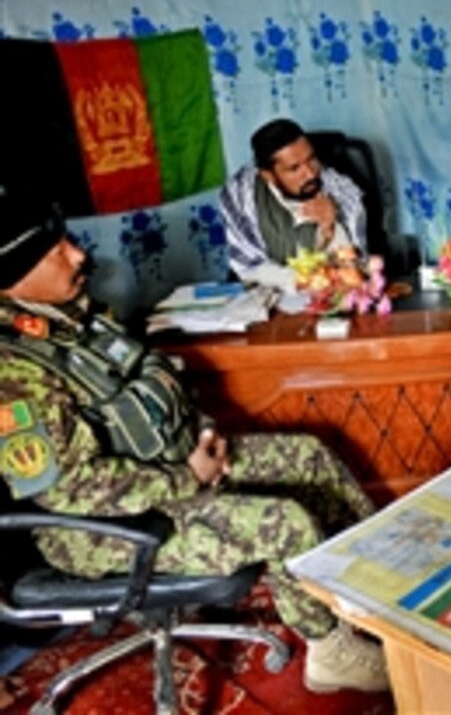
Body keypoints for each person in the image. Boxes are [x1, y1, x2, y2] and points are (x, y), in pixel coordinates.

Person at [0, 193, 387, 693]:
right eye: (55, 251)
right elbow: (68, 490)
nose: (77, 255)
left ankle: (376, 595)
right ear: (12, 279)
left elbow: (152, 381)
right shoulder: (13, 371)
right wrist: (188, 476)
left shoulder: (76, 316)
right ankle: (331, 652)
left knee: (309, 457)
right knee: (286, 523)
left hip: (174, 463)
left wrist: (202, 430)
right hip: (101, 528)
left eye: (68, 242)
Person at [220, 118, 367, 292]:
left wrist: (331, 229)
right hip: (270, 300)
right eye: (294, 168)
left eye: (311, 159)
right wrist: (297, 281)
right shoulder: (239, 197)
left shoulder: (340, 190)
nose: (310, 174)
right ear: (269, 176)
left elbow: (352, 272)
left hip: (328, 298)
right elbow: (248, 268)